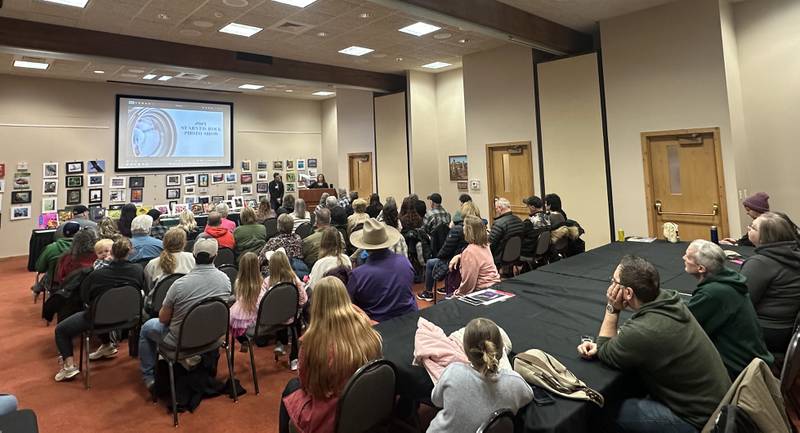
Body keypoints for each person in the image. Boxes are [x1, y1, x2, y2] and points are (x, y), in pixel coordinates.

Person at [576, 255, 730, 432]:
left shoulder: (644, 330)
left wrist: (612, 308)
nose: (611, 286)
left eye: (614, 282)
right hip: (717, 405)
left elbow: (604, 351)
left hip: (698, 421)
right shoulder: (670, 300)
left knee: (602, 411)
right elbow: (641, 337)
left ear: (627, 293)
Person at [279, 276, 382, 433]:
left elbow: (308, 385)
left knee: (292, 386)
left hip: (333, 416)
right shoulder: (368, 329)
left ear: (316, 305)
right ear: (344, 297)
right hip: (366, 405)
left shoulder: (313, 345)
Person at [138, 238, 231, 391]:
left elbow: (163, 319)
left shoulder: (180, 285)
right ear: (215, 256)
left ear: (193, 255)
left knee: (146, 327)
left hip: (181, 341)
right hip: (213, 336)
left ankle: (149, 377)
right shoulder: (225, 279)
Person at [54, 238, 146, 381]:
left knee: (61, 330)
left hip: (99, 318)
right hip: (129, 317)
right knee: (105, 309)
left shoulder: (96, 274)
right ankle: (107, 345)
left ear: (111, 253)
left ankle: (68, 367)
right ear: (130, 252)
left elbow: (85, 298)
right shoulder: (138, 270)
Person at [683, 239, 773, 378]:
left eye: (688, 257)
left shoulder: (712, 293)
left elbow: (685, 325)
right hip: (751, 358)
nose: (684, 258)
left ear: (701, 268)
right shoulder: (731, 281)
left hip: (737, 368)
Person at [427, 318, 533, 433]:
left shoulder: (453, 371)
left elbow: (436, 400)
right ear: (501, 350)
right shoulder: (514, 382)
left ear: (466, 351)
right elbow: (528, 396)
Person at [740, 212, 800, 353]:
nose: (748, 228)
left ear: (766, 237)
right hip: (789, 329)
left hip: (767, 332)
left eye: (753, 227)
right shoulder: (794, 254)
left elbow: (741, 303)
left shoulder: (760, 263)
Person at [346, 219, 417, 322]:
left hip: (377, 328)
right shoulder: (405, 262)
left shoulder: (357, 275)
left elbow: (349, 305)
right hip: (410, 320)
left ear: (365, 247)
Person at [418, 201, 475, 301]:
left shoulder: (457, 230)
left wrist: (439, 255)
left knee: (430, 263)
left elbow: (446, 250)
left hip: (454, 261)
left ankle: (428, 292)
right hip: (470, 260)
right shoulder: (478, 226)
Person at [263, 249, 307, 370]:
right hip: (292, 317)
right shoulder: (295, 279)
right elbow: (303, 299)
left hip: (274, 319)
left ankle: (280, 343)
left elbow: (262, 302)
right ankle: (294, 358)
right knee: (296, 321)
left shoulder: (267, 281)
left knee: (281, 315)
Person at [448, 216, 501, 297]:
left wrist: (456, 295)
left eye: (464, 226)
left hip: (481, 291)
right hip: (495, 286)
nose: (463, 228)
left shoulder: (469, 251)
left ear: (468, 231)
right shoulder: (485, 245)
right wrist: (459, 256)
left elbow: (468, 284)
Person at [229, 252, 266, 350]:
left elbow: (237, 297)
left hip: (242, 314)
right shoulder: (261, 280)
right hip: (258, 315)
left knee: (232, 324)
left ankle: (244, 341)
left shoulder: (238, 282)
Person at [35, 221, 80, 291]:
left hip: (55, 284)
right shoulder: (86, 248)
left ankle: (39, 287)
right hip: (79, 283)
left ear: (63, 233)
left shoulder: (51, 248)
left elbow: (40, 268)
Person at [488, 198, 524, 264]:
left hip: (500, 257)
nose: (496, 211)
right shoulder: (519, 220)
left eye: (496, 209)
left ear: (500, 208)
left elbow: (491, 244)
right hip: (515, 254)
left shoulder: (498, 223)